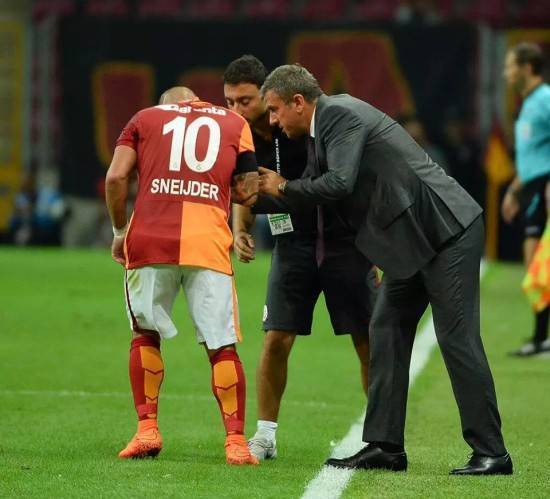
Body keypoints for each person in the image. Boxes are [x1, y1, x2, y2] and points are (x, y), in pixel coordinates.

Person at [258, 64, 512, 475]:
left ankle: (492, 452)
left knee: (457, 338)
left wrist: (282, 186)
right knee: (386, 328)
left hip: (445, 231)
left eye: (274, 109)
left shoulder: (339, 116)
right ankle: (385, 446)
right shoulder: (323, 132)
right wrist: (248, 194)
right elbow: (308, 195)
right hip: (411, 241)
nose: (272, 120)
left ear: (298, 102)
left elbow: (338, 184)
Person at [223, 55, 377, 461]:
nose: (236, 110)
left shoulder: (303, 123)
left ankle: (381, 435)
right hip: (291, 244)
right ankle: (265, 436)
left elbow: (338, 180)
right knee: (276, 337)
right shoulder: (240, 136)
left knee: (366, 338)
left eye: (245, 101)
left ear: (268, 96)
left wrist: (282, 188)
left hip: (342, 240)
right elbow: (245, 186)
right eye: (229, 102)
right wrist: (240, 228)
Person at [105, 86, 259, 465]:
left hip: (150, 239)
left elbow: (115, 178)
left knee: (145, 333)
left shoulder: (144, 119)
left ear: (166, 106)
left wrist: (120, 231)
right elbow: (247, 190)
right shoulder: (234, 123)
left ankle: (147, 430)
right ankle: (236, 443)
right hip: (207, 242)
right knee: (222, 345)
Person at [501, 42, 550, 356]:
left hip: (545, 187)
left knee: (539, 261)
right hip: (531, 188)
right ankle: (540, 337)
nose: (506, 73)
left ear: (527, 68)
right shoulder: (529, 104)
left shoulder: (545, 99)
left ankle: (542, 338)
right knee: (535, 264)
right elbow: (531, 155)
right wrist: (514, 190)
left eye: (510, 66)